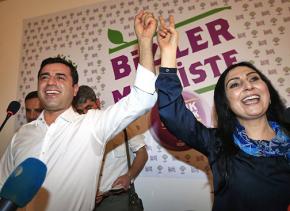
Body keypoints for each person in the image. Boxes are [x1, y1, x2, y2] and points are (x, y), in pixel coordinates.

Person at [0, 11, 157, 211]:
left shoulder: (92, 125)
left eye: (60, 77)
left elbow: (143, 98)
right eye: (44, 77)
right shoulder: (21, 135)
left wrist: (144, 43)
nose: (51, 82)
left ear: (75, 89)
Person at [155, 15, 290, 211]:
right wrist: (167, 52)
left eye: (254, 79)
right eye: (235, 84)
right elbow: (172, 113)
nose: (248, 86)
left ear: (268, 92)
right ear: (226, 103)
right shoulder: (217, 143)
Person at [73, 86, 148, 210]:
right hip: (87, 202)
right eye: (81, 111)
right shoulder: (77, 130)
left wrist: (128, 176)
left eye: (89, 108)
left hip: (117, 199)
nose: (87, 115)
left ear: (98, 102)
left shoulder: (121, 120)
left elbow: (142, 153)